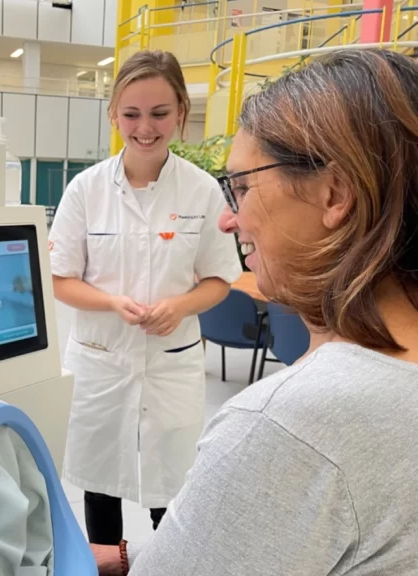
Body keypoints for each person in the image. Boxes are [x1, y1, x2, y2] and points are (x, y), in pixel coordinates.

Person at [92, 48, 418, 575]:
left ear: (335, 194)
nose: (228, 219)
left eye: (241, 188)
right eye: (130, 113)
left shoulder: (291, 427)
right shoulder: (89, 187)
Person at [48, 49, 242, 546]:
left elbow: (220, 278)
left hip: (170, 361)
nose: (145, 127)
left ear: (181, 112)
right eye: (131, 114)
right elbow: (61, 280)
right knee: (99, 477)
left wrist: (179, 306)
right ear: (114, 114)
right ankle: (110, 563)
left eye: (159, 113)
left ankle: (172, 560)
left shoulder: (202, 192)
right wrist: (113, 303)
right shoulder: (85, 190)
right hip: (100, 360)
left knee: (171, 481)